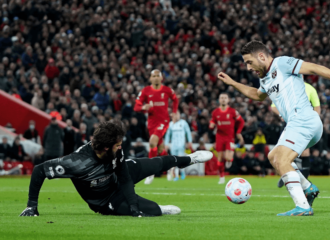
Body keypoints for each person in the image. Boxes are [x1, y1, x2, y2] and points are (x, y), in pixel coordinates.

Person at [217, 40, 330, 216]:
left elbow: (313, 68)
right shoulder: (265, 78)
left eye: (249, 62)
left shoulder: (282, 63)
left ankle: (303, 206)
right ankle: (308, 188)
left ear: (261, 56)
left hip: (304, 119)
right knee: (273, 157)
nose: (248, 68)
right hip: (296, 123)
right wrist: (233, 83)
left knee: (283, 161)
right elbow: (256, 94)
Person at [20, 121, 213, 217]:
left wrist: (134, 205)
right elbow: (39, 170)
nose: (121, 147)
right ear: (106, 147)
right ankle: (160, 209)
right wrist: (32, 205)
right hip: (105, 200)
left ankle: (190, 159)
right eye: (117, 145)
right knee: (152, 210)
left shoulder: (115, 152)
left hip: (116, 176)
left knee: (156, 163)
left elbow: (125, 178)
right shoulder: (76, 162)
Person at [134, 69, 179, 184]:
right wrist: (143, 107)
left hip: (163, 121)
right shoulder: (145, 91)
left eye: (158, 75)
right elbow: (136, 107)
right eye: (153, 76)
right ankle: (171, 166)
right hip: (151, 123)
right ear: (150, 78)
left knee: (152, 142)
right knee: (160, 149)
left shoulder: (167, 90)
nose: (156, 78)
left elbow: (175, 99)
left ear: (161, 78)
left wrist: (174, 112)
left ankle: (150, 172)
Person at [272, 81, 320, 180]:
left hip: (304, 124)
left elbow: (317, 107)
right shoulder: (285, 87)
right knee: (284, 151)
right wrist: (282, 114)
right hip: (289, 123)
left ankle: (304, 180)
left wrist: (313, 121)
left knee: (305, 152)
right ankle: (287, 172)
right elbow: (273, 106)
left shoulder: (310, 88)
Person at [209, 93, 244, 184]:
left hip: (229, 138)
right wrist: (211, 126)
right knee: (219, 158)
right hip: (219, 137)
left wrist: (238, 132)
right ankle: (221, 177)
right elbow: (212, 123)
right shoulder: (215, 112)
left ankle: (230, 159)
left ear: (228, 100)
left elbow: (241, 121)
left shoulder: (232, 111)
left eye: (225, 98)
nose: (223, 99)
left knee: (228, 157)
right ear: (219, 100)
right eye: (222, 98)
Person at [164, 110, 192, 181]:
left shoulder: (183, 123)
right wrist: (166, 143)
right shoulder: (171, 124)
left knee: (180, 159)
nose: (176, 115)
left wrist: (190, 141)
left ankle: (182, 173)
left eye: (178, 114)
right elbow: (168, 135)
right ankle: (176, 175)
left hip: (181, 144)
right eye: (175, 114)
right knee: (175, 160)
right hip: (174, 145)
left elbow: (188, 132)